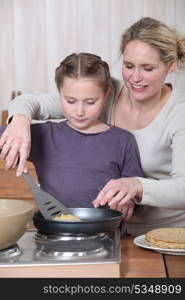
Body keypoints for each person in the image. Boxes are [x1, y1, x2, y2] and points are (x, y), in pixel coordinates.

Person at [1, 17, 185, 236]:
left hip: (168, 233)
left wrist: (135, 186)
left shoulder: (178, 114)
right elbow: (32, 103)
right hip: (113, 232)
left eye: (147, 68)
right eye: (128, 66)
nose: (135, 78)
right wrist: (19, 120)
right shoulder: (104, 90)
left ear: (170, 65)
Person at [0, 52, 143, 225]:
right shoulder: (44, 134)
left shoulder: (123, 141)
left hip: (108, 234)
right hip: (53, 232)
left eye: (90, 102)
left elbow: (135, 190)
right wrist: (16, 126)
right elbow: (8, 137)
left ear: (106, 95)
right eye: (70, 101)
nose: (80, 111)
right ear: (60, 94)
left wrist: (128, 201)